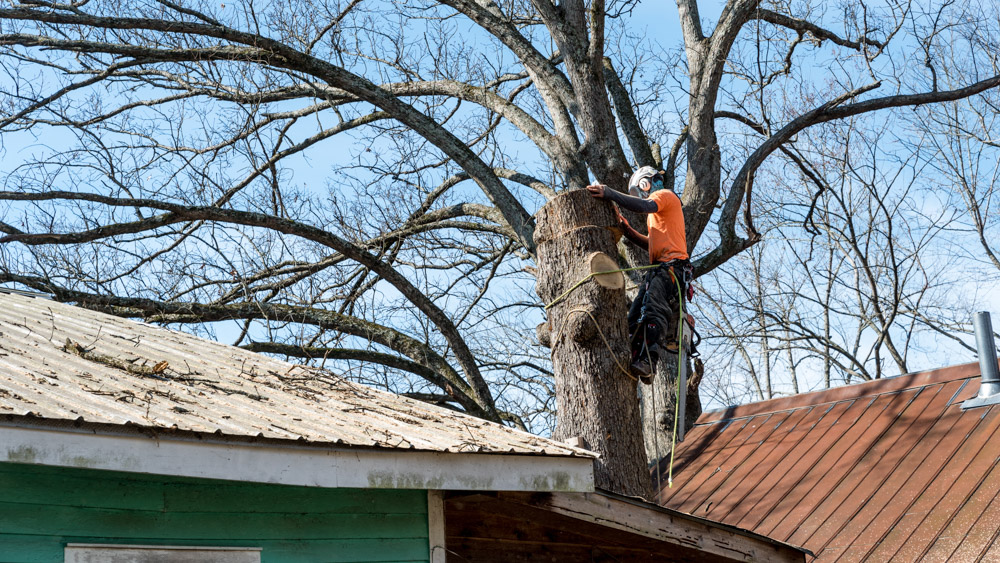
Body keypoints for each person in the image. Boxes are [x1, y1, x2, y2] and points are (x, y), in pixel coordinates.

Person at [586, 166, 689, 382]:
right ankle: (633, 355)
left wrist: (610, 193)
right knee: (633, 316)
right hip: (661, 268)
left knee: (653, 309)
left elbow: (645, 205)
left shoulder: (665, 195)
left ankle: (649, 361)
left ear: (645, 183)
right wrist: (627, 230)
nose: (642, 195)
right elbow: (652, 244)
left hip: (671, 267)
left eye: (640, 191)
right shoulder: (661, 218)